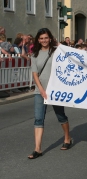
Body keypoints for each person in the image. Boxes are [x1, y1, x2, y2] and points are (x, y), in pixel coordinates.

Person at [28, 28, 72, 159]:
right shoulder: (34, 54)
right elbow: (35, 74)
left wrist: (57, 44)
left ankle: (67, 138)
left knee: (61, 115)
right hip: (40, 91)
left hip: (55, 90)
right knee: (38, 118)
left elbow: (69, 54)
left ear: (50, 38)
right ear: (38, 40)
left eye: (46, 38)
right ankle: (37, 149)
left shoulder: (56, 51)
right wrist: (41, 89)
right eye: (41, 38)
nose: (43, 40)